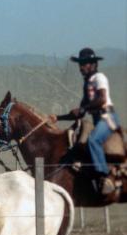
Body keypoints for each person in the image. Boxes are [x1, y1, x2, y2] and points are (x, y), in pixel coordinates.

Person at [49, 47, 121, 195]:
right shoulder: (87, 84)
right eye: (81, 64)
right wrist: (58, 118)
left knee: (93, 140)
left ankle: (104, 176)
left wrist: (83, 109)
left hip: (107, 118)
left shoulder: (99, 78)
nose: (82, 67)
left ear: (93, 64)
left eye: (85, 63)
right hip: (97, 119)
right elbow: (79, 112)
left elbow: (101, 99)